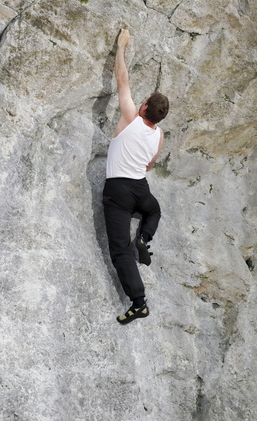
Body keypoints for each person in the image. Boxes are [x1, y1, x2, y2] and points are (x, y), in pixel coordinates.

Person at [103, 28, 169, 325]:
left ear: (143, 107)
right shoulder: (160, 135)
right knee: (153, 210)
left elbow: (122, 80)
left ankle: (139, 302)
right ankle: (144, 236)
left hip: (117, 190)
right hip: (139, 189)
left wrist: (121, 48)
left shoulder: (131, 116)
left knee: (119, 249)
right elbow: (149, 166)